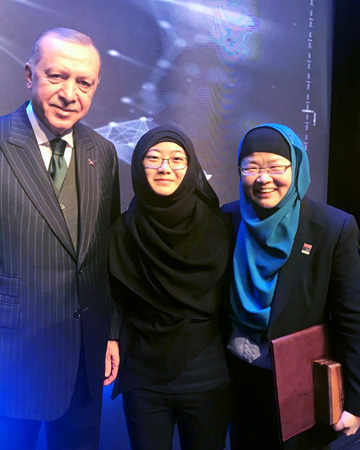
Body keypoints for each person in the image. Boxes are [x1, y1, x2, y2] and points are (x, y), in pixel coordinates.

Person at [0, 28, 120, 449]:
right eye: (57, 77)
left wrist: (110, 332)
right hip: (12, 359)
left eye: (83, 83)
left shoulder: (102, 153)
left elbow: (105, 250)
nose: (70, 94)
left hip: (84, 361)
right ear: (29, 75)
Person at [223, 123, 360, 449]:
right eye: (251, 167)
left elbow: (352, 318)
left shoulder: (332, 227)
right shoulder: (228, 219)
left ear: (296, 167)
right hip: (238, 380)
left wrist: (354, 401)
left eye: (275, 166)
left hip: (302, 384)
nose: (263, 178)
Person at [109, 125, 231, 450]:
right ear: (138, 165)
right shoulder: (123, 230)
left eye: (177, 159)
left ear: (190, 167)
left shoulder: (221, 226)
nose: (165, 168)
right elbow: (113, 298)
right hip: (143, 375)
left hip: (206, 375)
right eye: (154, 158)